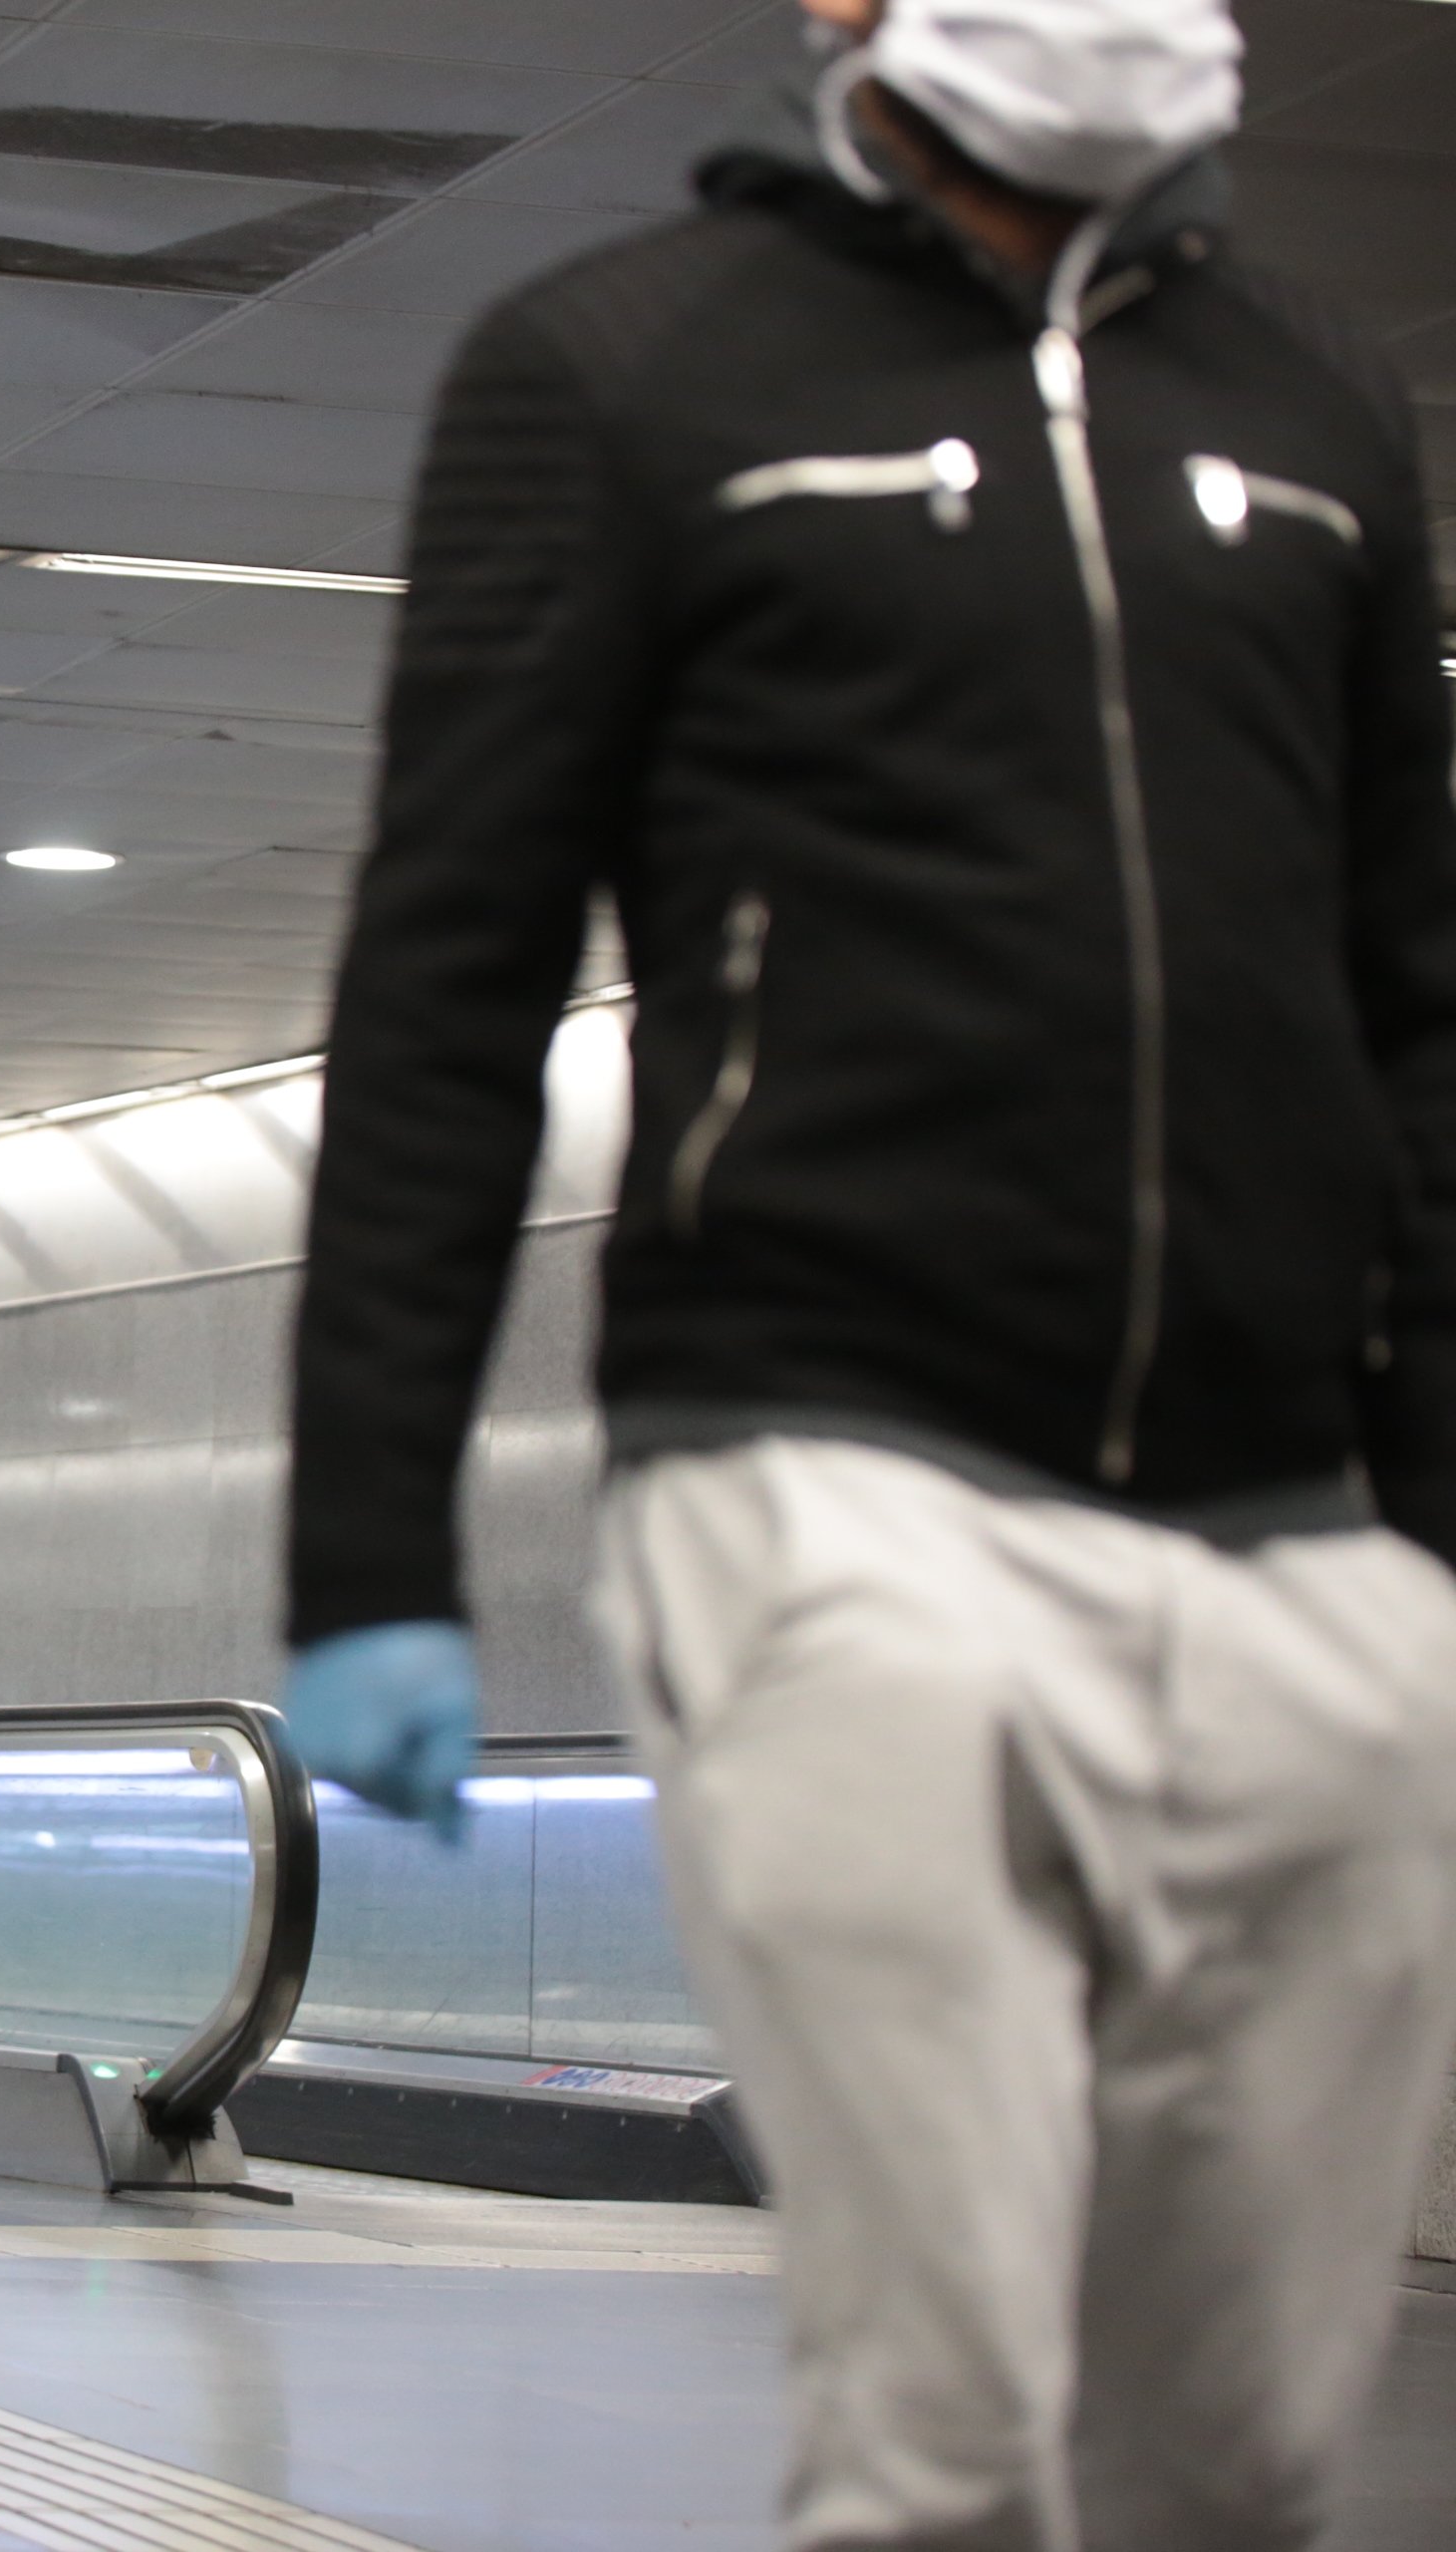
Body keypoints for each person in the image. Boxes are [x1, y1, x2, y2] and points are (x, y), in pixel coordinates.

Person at [281, 0, 1456, 2542]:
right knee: (941, 2432)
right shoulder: (620, 362)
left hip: (1289, 1531)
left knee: (1244, 2455)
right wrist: (366, 1549)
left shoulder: (1315, 397)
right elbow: (448, 974)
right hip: (829, 1476)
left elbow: (1414, 987)